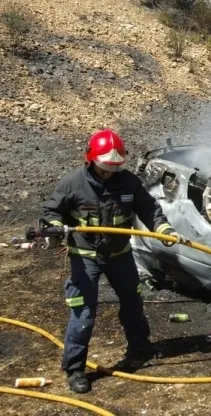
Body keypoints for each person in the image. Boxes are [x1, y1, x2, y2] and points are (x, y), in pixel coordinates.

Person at [40, 128, 187, 394]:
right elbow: (51, 211)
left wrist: (163, 229)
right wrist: (54, 227)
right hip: (86, 257)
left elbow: (150, 209)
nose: (109, 173)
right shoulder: (73, 184)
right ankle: (75, 369)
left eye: (114, 168)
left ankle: (140, 348)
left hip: (120, 256)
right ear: (90, 160)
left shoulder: (129, 182)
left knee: (132, 302)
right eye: (104, 168)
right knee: (83, 313)